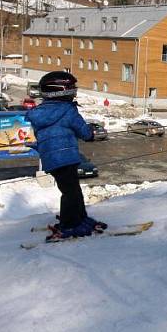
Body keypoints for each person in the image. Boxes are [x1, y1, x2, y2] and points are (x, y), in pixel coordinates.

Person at [26, 71, 105, 241]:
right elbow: (83, 131)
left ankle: (80, 218)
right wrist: (90, 135)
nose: (75, 90)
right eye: (72, 88)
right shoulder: (68, 110)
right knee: (71, 193)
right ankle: (69, 225)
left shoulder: (40, 112)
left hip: (51, 159)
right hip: (66, 157)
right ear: (63, 90)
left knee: (72, 190)